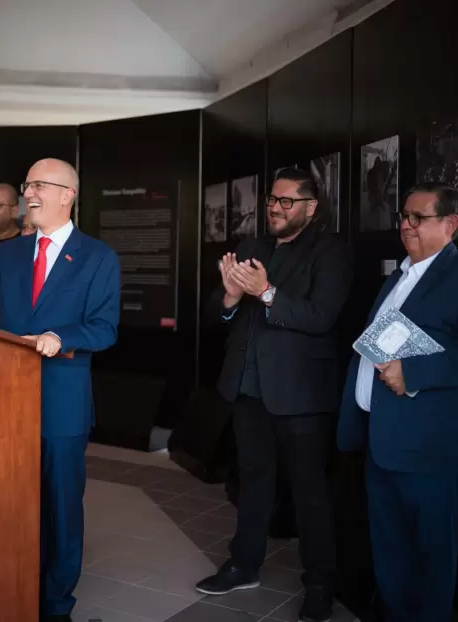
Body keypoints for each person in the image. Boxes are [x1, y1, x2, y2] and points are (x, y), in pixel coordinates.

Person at [0, 158, 120, 622]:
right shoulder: (10, 253)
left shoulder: (97, 256)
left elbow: (105, 328)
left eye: (38, 185)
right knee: (14, 504)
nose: (29, 193)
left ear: (67, 195)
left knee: (61, 509)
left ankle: (56, 606)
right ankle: (19, 593)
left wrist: (62, 338)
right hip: (8, 402)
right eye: (27, 184)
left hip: (62, 406)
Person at [337, 184, 458, 622]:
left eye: (418, 217)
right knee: (391, 550)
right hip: (384, 443)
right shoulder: (400, 275)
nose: (406, 225)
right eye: (404, 216)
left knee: (431, 558)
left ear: (449, 224)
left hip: (430, 450)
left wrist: (413, 373)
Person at [195, 168, 353, 622]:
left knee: (310, 492)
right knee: (253, 482)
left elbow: (320, 316)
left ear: (311, 206)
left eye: (287, 201)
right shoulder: (252, 248)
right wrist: (227, 298)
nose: (275, 208)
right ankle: (244, 564)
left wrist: (264, 292)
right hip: (247, 389)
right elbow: (217, 315)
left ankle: (320, 584)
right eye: (272, 200)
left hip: (301, 394)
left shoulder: (331, 253)